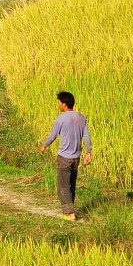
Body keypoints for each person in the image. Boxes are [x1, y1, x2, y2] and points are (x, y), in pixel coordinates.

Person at [38, 91, 92, 221]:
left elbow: (52, 136)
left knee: (63, 185)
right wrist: (88, 152)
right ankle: (70, 209)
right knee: (71, 184)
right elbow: (87, 137)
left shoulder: (60, 119)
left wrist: (44, 146)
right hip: (76, 158)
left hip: (64, 157)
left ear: (64, 104)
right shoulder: (81, 118)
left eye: (59, 103)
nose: (58, 105)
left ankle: (69, 213)